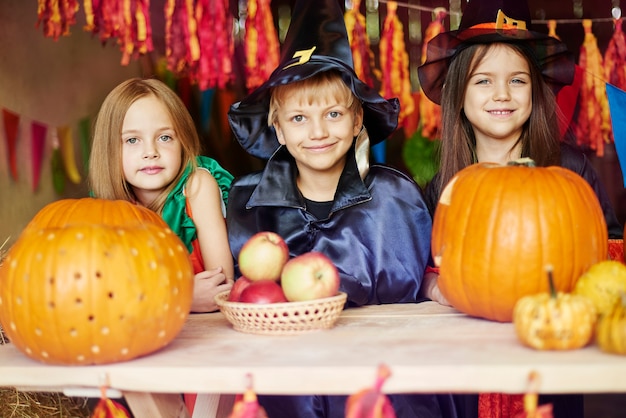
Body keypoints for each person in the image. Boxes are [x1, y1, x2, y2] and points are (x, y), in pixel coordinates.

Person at [226, 0, 457, 416]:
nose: (317, 132)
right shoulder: (247, 206)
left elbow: (419, 282)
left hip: (387, 391)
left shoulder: (397, 199)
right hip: (286, 393)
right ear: (276, 125)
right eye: (298, 118)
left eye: (333, 113)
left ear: (356, 121)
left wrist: (433, 285)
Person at [417, 1, 624, 417]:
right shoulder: (441, 186)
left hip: (552, 353)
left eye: (517, 80)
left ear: (535, 90)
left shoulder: (571, 169)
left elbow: (610, 251)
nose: (501, 95)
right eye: (483, 81)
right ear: (458, 93)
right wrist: (437, 287)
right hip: (465, 364)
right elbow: (416, 270)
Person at [88, 77, 235, 314]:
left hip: (207, 331)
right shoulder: (105, 208)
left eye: (164, 137)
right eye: (132, 140)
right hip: (144, 332)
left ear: (182, 141)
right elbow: (109, 297)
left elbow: (221, 285)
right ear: (110, 150)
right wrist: (180, 297)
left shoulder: (198, 186)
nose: (150, 152)